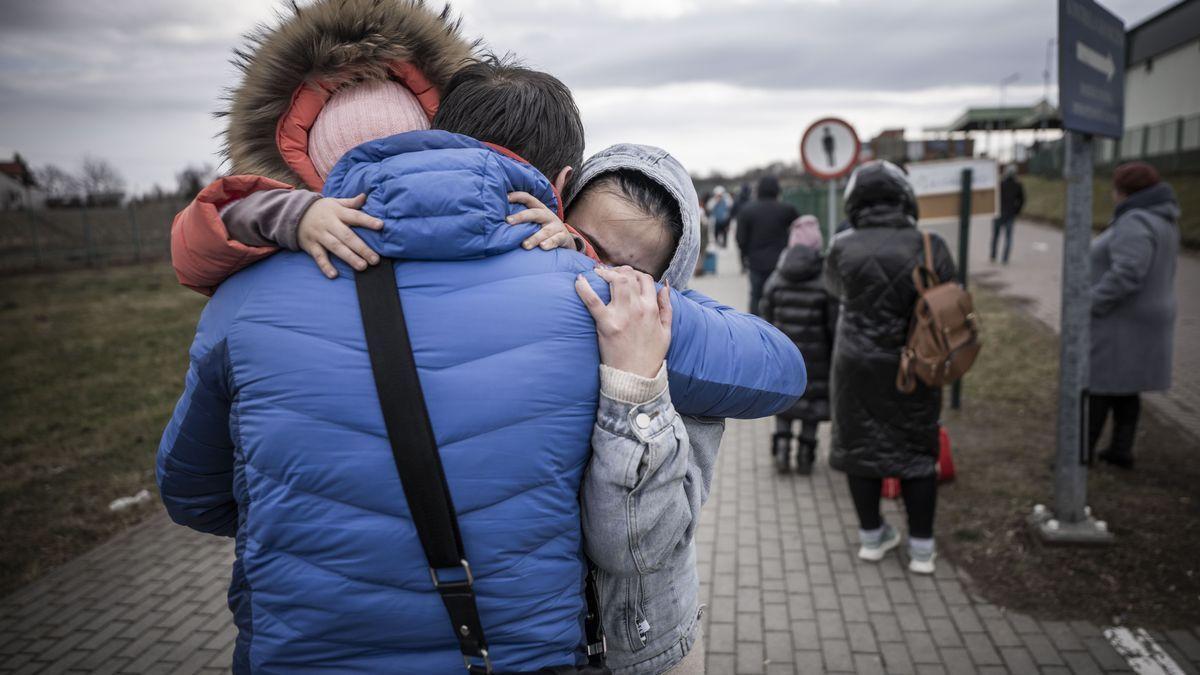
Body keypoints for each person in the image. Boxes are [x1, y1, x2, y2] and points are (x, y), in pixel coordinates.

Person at [156, 5, 806, 671]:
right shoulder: (591, 298)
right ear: (560, 188)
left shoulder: (245, 296)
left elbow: (192, 494)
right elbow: (777, 371)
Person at [823, 161, 956, 575]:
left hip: (856, 363)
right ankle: (921, 549)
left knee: (861, 447)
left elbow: (834, 290)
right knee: (916, 451)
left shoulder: (841, 245)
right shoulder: (930, 243)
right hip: (914, 363)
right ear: (906, 198)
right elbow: (951, 297)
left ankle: (871, 539)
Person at [1088, 161, 1180, 469]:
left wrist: (1091, 302)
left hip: (1120, 320)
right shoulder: (1162, 219)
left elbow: (1127, 273)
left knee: (1097, 384)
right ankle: (1119, 450)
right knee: (1127, 388)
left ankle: (1079, 453)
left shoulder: (1135, 221)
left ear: (1123, 191)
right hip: (1143, 320)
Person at [760, 215, 837, 475]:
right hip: (818, 357)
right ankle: (806, 455)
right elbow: (833, 323)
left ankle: (782, 449)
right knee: (812, 405)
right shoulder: (826, 279)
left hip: (784, 356)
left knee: (784, 402)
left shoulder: (778, 275)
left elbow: (765, 315)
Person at [736, 175, 800, 317]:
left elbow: (740, 239)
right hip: (781, 262)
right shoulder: (787, 209)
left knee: (756, 296)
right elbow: (799, 232)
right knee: (780, 297)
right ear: (777, 190)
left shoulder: (747, 211)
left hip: (756, 261)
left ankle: (755, 326)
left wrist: (746, 255)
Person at [991, 165, 1025, 264]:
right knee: (1008, 237)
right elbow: (1022, 200)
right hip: (1010, 214)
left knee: (996, 236)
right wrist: (1016, 211)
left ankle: (993, 255)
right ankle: (1005, 258)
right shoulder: (1017, 185)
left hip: (999, 213)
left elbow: (995, 197)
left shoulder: (1001, 184)